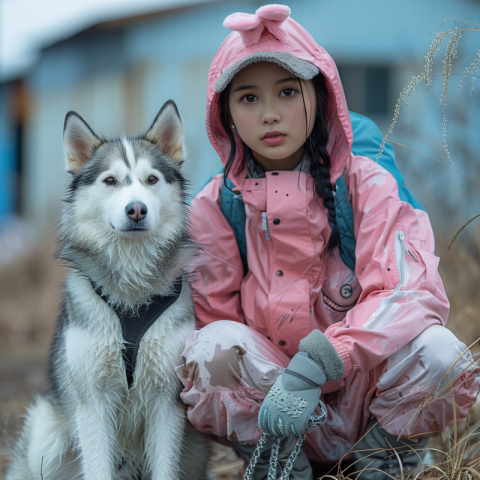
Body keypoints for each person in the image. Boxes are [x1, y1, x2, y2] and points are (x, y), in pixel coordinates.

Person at [175, 5, 480, 479]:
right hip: (278, 414)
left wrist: (320, 361)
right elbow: (215, 323)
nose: (270, 114)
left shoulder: (369, 182)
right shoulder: (216, 206)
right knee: (208, 349)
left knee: (442, 352)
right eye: (249, 98)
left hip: (370, 403)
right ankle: (282, 464)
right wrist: (277, 395)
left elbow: (409, 292)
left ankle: (383, 460)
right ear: (226, 114)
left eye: (287, 92)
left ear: (320, 95)